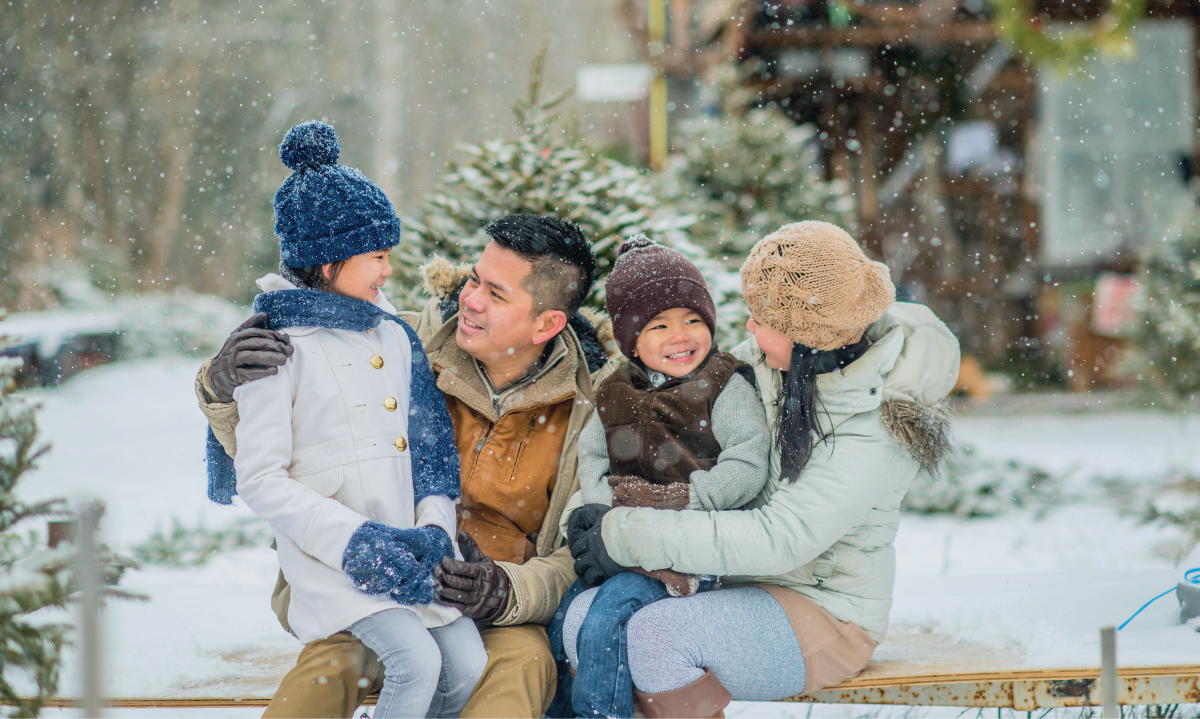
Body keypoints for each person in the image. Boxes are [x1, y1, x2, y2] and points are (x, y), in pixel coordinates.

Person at [197, 209, 619, 718]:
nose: (470, 299)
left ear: (547, 323)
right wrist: (224, 390)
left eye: (496, 294)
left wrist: (506, 590)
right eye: (474, 280)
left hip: (495, 608)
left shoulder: (591, 410)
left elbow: (579, 554)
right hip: (367, 582)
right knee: (338, 663)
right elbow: (286, 457)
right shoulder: (396, 342)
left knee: (522, 665)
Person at [567, 221, 960, 718]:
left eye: (761, 318)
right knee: (583, 619)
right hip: (733, 582)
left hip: (826, 610)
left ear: (807, 336)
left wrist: (624, 535)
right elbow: (650, 439)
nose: (748, 328)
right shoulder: (773, 367)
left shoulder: (875, 425)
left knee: (656, 637)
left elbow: (781, 537)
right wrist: (595, 509)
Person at [228, 121, 486, 718]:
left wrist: (434, 530)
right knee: (416, 662)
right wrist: (355, 544)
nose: (388, 270)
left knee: (467, 666)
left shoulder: (393, 336)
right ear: (327, 262)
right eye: (376, 256)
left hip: (413, 551)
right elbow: (261, 479)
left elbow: (431, 452)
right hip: (335, 562)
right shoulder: (276, 347)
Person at [557, 236, 770, 719]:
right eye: (660, 325)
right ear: (631, 340)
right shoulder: (615, 390)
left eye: (693, 320)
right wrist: (609, 515)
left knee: (606, 619)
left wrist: (686, 498)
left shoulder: (723, 384)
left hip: (689, 549)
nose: (681, 335)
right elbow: (591, 459)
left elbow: (748, 460)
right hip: (621, 546)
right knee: (562, 623)